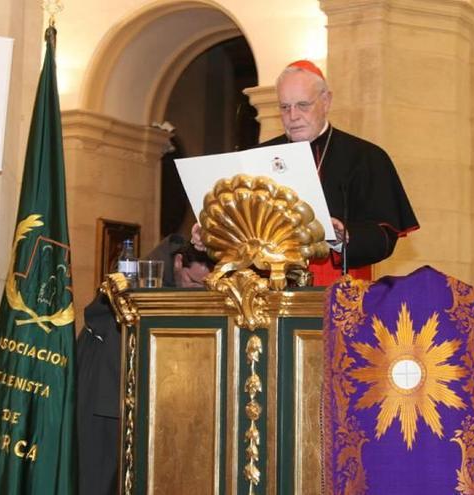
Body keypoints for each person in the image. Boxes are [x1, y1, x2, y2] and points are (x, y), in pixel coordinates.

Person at [192, 60, 419, 285]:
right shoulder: (257, 157)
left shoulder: (365, 157)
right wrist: (214, 235)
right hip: (266, 290)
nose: (293, 115)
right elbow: (243, 234)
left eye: (303, 105)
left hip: (337, 292)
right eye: (284, 107)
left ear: (326, 101)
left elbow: (384, 236)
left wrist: (344, 237)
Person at [76, 236, 211, 495]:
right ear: (179, 262)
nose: (196, 292)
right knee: (97, 475)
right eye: (193, 282)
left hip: (137, 390)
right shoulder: (140, 274)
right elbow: (96, 313)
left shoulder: (183, 278)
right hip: (105, 385)